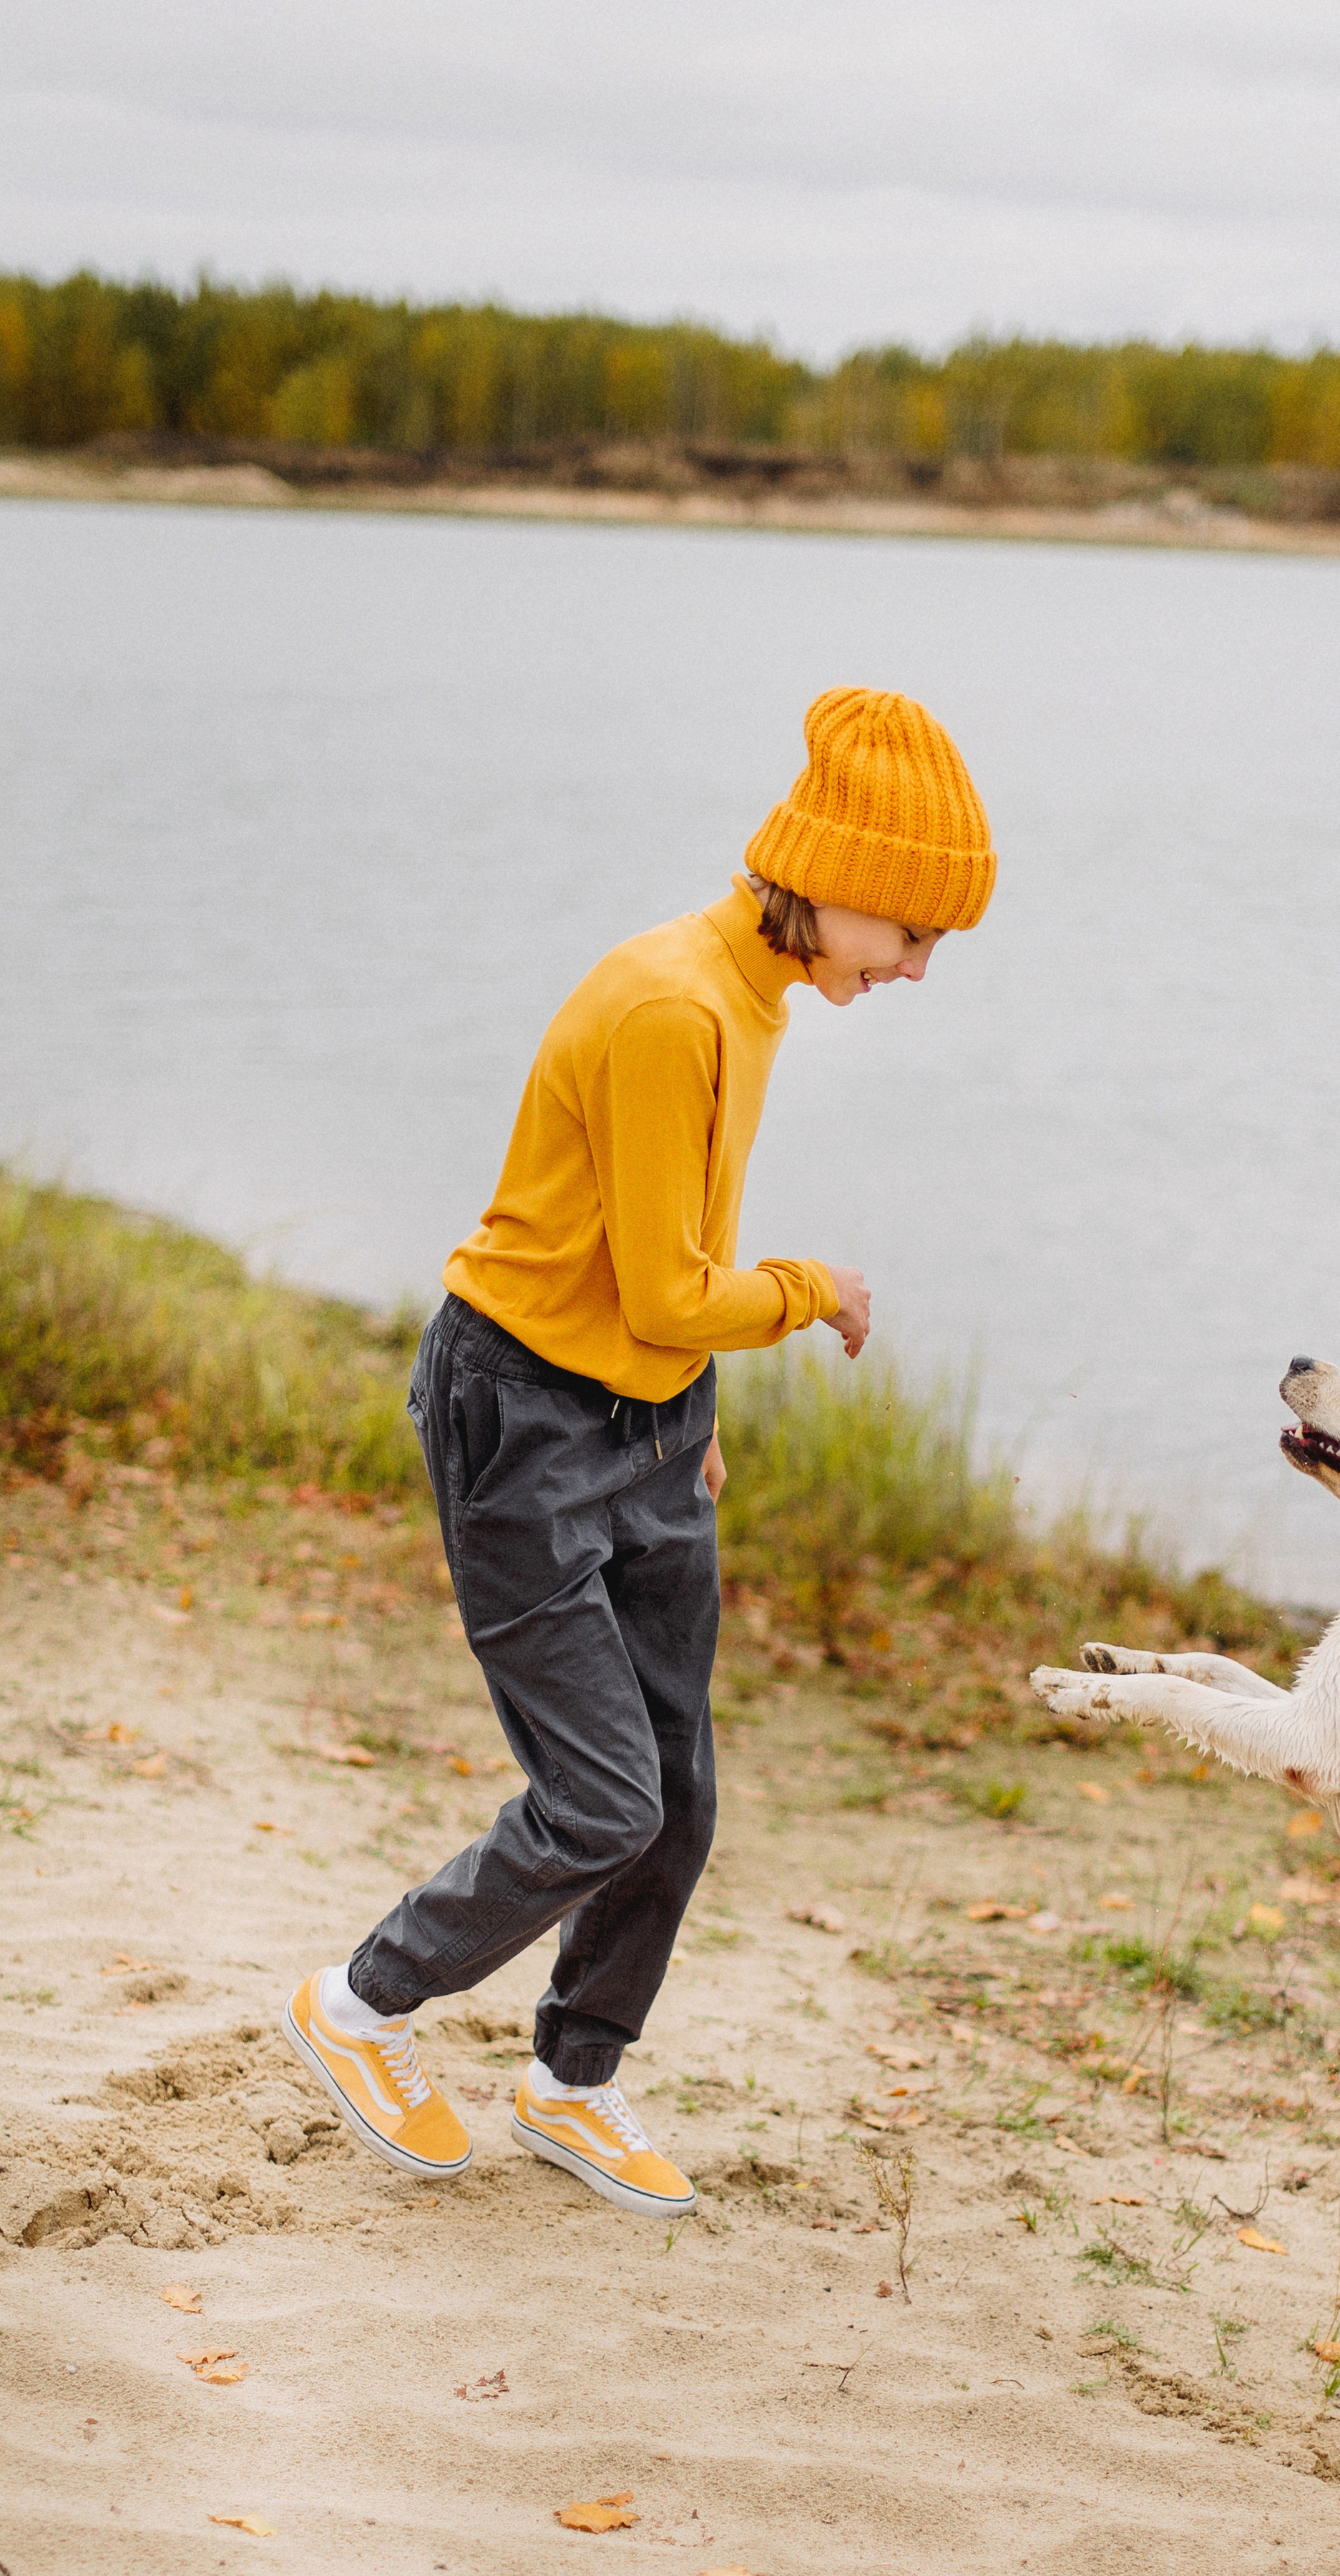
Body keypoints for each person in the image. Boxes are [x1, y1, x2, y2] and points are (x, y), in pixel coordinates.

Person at [283, 687, 995, 2218]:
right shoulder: (673, 1005)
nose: (916, 968)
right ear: (836, 885)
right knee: (604, 1798)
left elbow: (670, 1254)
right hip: (524, 1419)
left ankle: (571, 2081)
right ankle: (358, 2006)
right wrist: (812, 1291)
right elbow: (681, 1287)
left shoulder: (753, 993)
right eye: (911, 933)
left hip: (648, 1420)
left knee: (677, 1789)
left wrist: (693, 1415)